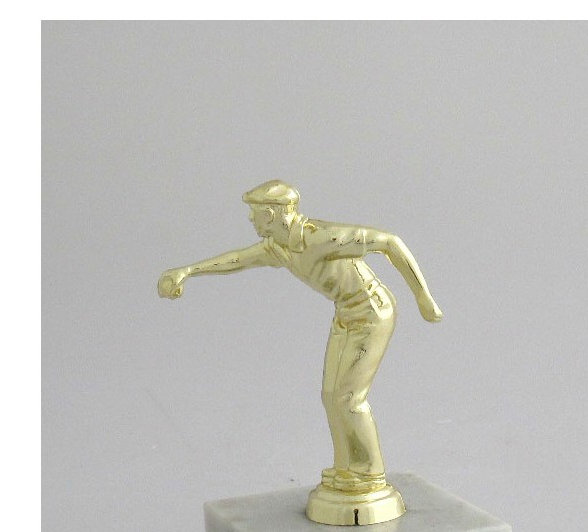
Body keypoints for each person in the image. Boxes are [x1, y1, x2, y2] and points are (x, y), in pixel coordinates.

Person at [158, 180, 442, 497]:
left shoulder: (320, 238)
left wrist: (423, 298)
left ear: (271, 214)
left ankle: (370, 472)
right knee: (331, 394)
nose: (250, 219)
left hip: (373, 314)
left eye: (254, 212)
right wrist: (188, 271)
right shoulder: (278, 247)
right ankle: (346, 469)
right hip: (346, 315)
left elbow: (389, 242)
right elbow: (238, 259)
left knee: (349, 398)